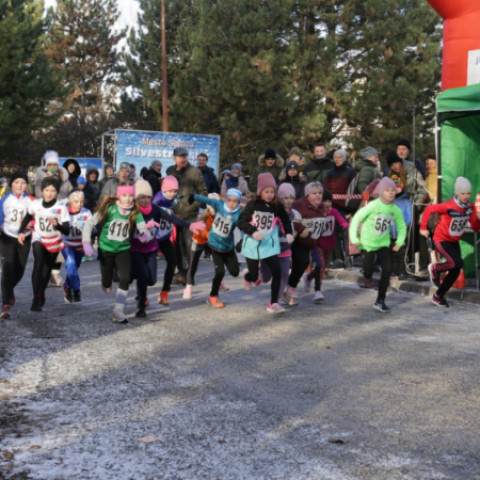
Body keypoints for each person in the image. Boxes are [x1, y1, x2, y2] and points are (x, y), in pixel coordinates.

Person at [132, 178, 204, 317]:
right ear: (164, 190)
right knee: (147, 271)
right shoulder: (156, 201)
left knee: (172, 260)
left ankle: (164, 292)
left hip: (163, 237)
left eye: (175, 191)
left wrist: (189, 224)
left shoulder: (172, 200)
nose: (173, 194)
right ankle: (143, 295)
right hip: (151, 238)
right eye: (171, 191)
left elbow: (173, 217)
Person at [82, 184, 153, 323]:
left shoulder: (134, 211)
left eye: (131, 196)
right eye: (124, 195)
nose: (128, 199)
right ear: (118, 196)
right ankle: (105, 283)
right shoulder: (109, 208)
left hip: (123, 249)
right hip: (106, 249)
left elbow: (142, 229)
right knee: (107, 282)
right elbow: (89, 224)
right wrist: (86, 242)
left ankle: (118, 310)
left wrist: (146, 234)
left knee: (125, 278)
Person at [420, 177, 480, 307]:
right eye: (462, 193)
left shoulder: (470, 207)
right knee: (456, 263)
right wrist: (423, 227)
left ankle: (438, 295)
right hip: (441, 238)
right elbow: (429, 209)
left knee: (456, 269)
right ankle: (435, 268)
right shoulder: (449, 206)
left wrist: (477, 218)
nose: (466, 196)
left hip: (454, 240)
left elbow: (475, 227)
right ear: (457, 193)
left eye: (468, 193)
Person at [349, 177, 407, 313]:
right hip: (368, 242)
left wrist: (399, 242)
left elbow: (402, 227)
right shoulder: (374, 205)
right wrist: (354, 238)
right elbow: (357, 218)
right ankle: (367, 276)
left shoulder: (395, 209)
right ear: (381, 192)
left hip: (383, 243)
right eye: (387, 190)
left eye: (393, 190)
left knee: (387, 269)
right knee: (367, 268)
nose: (391, 193)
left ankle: (380, 300)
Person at [238, 172, 293, 314]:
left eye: (272, 192)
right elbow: (241, 221)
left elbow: (285, 221)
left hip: (269, 245)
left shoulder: (277, 206)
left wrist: (288, 233)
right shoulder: (253, 205)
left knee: (277, 271)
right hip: (253, 245)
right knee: (254, 276)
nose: (269, 195)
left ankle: (273, 302)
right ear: (260, 192)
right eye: (266, 191)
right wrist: (252, 231)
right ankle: (247, 276)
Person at [18, 177, 70, 312]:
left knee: (46, 271)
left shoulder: (61, 207)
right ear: (42, 191)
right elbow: (28, 217)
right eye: (47, 190)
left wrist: (57, 225)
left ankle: (42, 292)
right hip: (39, 238)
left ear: (57, 192)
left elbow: (67, 230)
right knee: (38, 263)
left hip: (54, 241)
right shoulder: (35, 204)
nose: (49, 193)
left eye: (53, 191)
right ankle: (35, 297)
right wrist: (21, 232)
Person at [188, 188, 242, 307]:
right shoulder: (220, 204)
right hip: (214, 244)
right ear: (226, 199)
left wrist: (242, 240)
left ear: (238, 202)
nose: (231, 203)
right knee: (220, 272)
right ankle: (213, 296)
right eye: (229, 200)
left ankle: (225, 266)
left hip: (228, 247)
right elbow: (207, 200)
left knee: (235, 272)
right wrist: (193, 196)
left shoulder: (238, 215)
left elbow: (243, 226)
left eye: (235, 201)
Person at [166, 147, 208, 284]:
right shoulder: (170, 171)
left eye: (185, 156)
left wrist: (193, 206)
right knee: (177, 247)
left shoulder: (195, 172)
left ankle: (190, 275)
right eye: (180, 157)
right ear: (175, 159)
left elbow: (203, 192)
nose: (183, 159)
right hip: (175, 216)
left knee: (190, 246)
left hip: (191, 216)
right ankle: (181, 274)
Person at [284, 181, 326, 305]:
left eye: (320, 193)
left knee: (306, 264)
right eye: (314, 193)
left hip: (312, 241)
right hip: (297, 240)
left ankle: (290, 288)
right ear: (307, 195)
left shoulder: (321, 207)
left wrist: (325, 226)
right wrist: (302, 229)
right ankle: (289, 287)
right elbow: (292, 220)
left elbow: (322, 221)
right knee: (302, 262)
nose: (318, 196)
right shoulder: (299, 205)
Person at [304, 190, 349, 300]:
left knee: (321, 267)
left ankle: (309, 277)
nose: (327, 204)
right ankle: (318, 291)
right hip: (317, 243)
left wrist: (342, 227)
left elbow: (344, 222)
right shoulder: (316, 212)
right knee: (320, 265)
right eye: (324, 201)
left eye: (329, 201)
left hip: (329, 244)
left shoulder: (334, 212)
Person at [0, 170, 34, 318]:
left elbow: (37, 217)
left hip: (24, 238)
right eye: (17, 182)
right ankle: (6, 304)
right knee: (8, 267)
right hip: (7, 237)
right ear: (11, 184)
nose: (20, 185)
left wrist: (30, 224)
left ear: (27, 185)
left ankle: (9, 289)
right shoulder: (5, 200)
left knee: (19, 270)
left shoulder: (31, 200)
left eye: (23, 183)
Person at [258, 182, 296, 304]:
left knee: (284, 274)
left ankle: (274, 301)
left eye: (291, 198)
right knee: (266, 278)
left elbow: (296, 227)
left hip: (285, 250)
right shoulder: (272, 211)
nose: (288, 201)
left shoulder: (293, 214)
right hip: (270, 250)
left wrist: (296, 232)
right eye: (285, 198)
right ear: (279, 198)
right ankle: (257, 274)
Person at [62, 189, 92, 303]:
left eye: (81, 201)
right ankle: (76, 290)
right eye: (76, 202)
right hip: (67, 244)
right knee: (70, 263)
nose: (79, 204)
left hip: (80, 245)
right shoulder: (64, 212)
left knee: (73, 268)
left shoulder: (86, 212)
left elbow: (92, 228)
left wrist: (89, 230)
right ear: (70, 201)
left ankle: (67, 286)